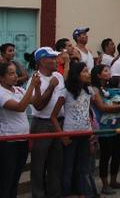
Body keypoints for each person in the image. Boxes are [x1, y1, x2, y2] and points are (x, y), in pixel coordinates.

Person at [51, 61, 93, 197]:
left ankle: (82, 192)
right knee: (68, 167)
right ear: (77, 74)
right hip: (70, 135)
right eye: (85, 71)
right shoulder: (66, 92)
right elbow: (53, 116)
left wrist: (91, 130)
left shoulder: (89, 90)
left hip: (86, 134)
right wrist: (62, 135)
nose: (88, 74)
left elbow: (88, 112)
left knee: (83, 167)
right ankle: (65, 192)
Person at [0, 61, 40, 198]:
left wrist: (38, 87)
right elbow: (20, 107)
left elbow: (35, 101)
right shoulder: (1, 93)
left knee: (16, 176)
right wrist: (32, 86)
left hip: (23, 139)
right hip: (8, 141)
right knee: (7, 178)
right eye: (11, 73)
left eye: (16, 73)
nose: (15, 76)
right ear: (2, 77)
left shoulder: (19, 89)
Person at [30, 47, 65, 198]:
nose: (57, 60)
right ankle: (38, 194)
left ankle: (54, 194)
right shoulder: (35, 79)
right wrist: (51, 86)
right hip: (42, 124)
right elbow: (38, 105)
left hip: (59, 123)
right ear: (43, 61)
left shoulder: (58, 75)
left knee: (56, 164)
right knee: (38, 164)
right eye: (52, 58)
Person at [91, 64, 120, 195]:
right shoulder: (94, 89)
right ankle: (105, 184)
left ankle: (114, 180)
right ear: (98, 75)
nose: (109, 72)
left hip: (116, 124)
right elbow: (102, 107)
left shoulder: (109, 88)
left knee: (117, 153)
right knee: (106, 155)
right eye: (105, 71)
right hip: (103, 127)